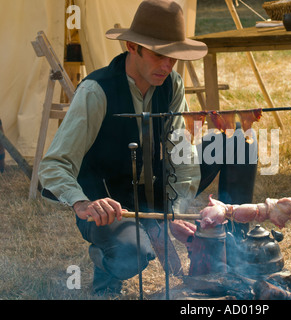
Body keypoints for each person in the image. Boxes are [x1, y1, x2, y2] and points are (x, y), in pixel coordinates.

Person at [38, 0, 257, 295]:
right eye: (159, 55)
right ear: (131, 46)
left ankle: (235, 251)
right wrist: (82, 203)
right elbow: (54, 164)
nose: (167, 66)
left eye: (174, 58)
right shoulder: (95, 91)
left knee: (237, 146)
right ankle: (107, 265)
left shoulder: (172, 84)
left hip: (156, 190)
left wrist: (175, 213)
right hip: (110, 203)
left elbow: (182, 152)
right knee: (133, 254)